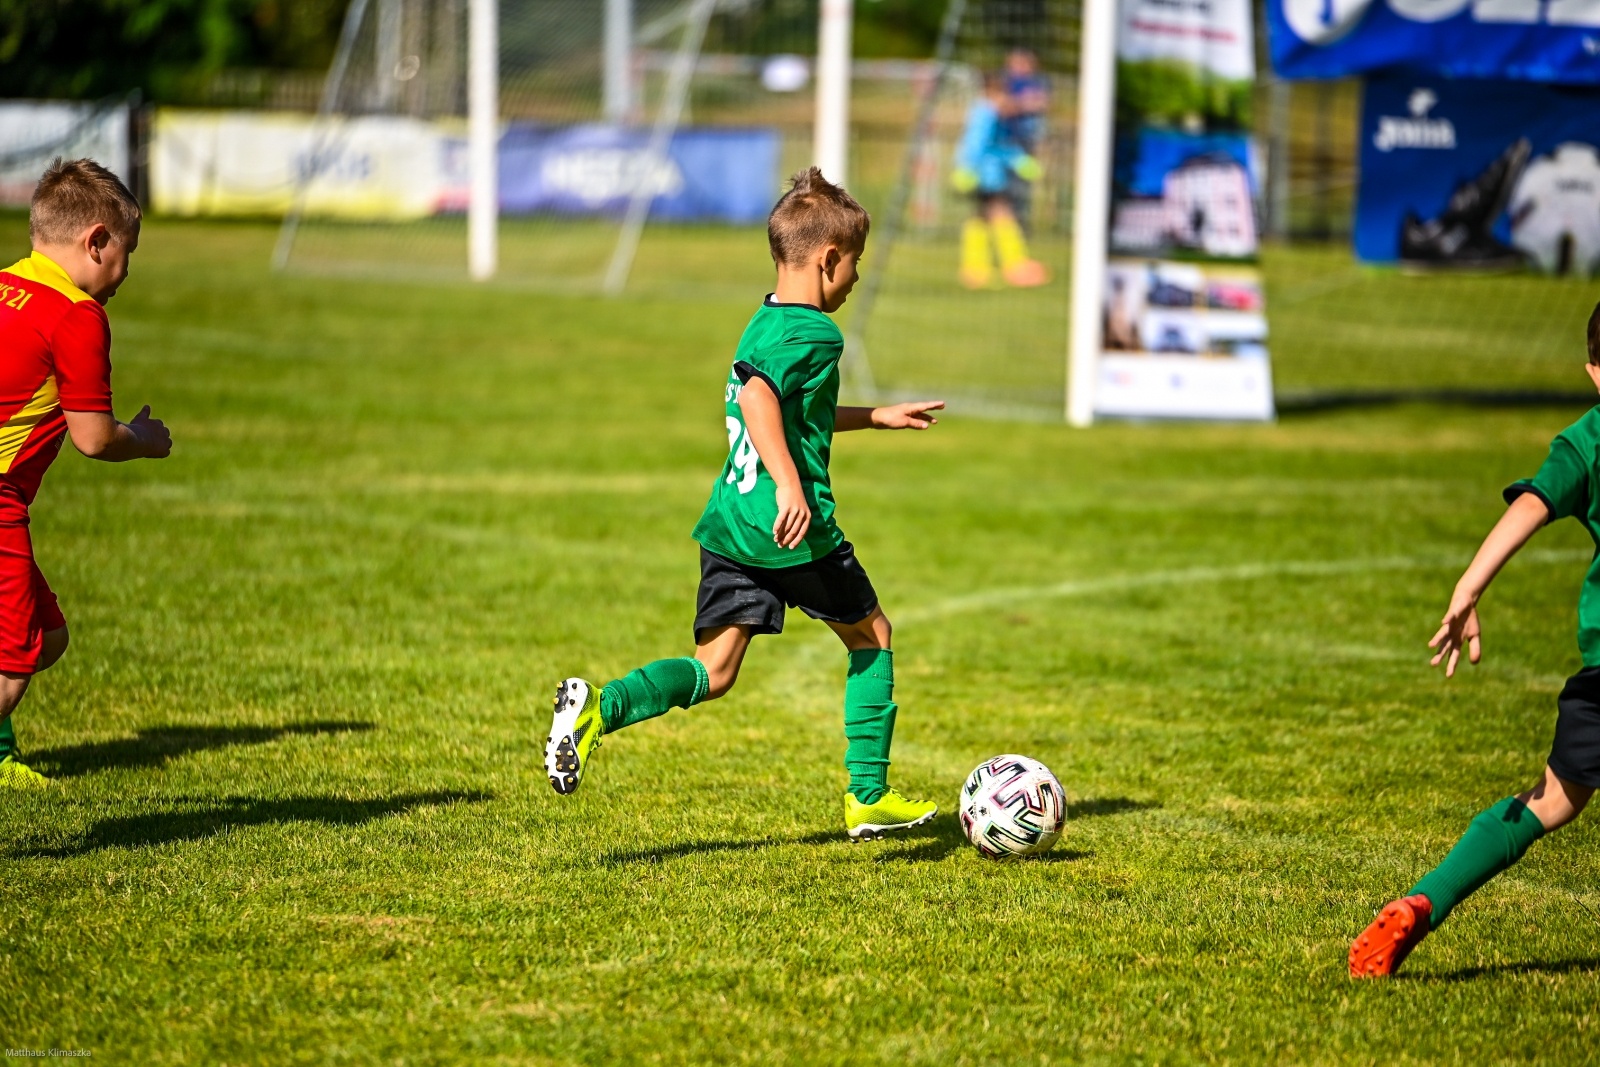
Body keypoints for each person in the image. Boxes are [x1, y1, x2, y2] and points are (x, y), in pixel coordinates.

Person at [544, 167, 945, 840]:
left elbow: (785, 406)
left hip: (731, 524)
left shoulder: (766, 319)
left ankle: (598, 708)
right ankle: (868, 794)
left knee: (716, 669)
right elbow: (759, 398)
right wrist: (790, 484)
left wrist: (875, 416)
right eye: (855, 262)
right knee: (873, 635)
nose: (855, 277)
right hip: (788, 529)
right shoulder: (819, 334)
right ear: (829, 259)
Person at [1349, 300, 1600, 976]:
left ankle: (1425, 899)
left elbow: (1533, 504)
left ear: (1593, 372)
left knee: (1550, 800)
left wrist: (1469, 585)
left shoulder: (1589, 439)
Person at [0, 158, 172, 789]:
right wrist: (145, 440)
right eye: (128, 252)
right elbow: (93, 438)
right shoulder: (76, 314)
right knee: (14, 662)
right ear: (97, 241)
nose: (125, 272)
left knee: (47, 636)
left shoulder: (5, 283)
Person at [952, 70, 1048, 290]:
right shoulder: (986, 114)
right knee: (1002, 213)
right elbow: (976, 145)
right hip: (985, 175)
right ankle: (1014, 266)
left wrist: (1017, 159)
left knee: (981, 217)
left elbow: (996, 146)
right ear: (992, 93)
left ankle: (975, 269)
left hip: (986, 173)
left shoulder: (989, 113)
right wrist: (967, 169)